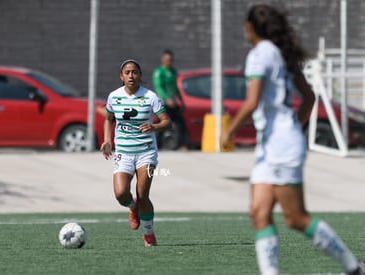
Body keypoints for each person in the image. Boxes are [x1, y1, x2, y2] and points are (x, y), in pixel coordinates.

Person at [220, 4, 365, 275]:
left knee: (296, 218)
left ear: (250, 27)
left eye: (244, 26)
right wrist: (294, 128)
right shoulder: (282, 54)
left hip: (281, 146)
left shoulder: (260, 55)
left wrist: (229, 131)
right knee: (258, 213)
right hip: (275, 144)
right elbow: (308, 98)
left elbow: (252, 102)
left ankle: (354, 268)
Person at [100, 60, 171, 247]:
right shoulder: (114, 97)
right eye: (127, 72)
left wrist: (154, 126)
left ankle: (149, 234)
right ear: (121, 76)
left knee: (142, 193)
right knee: (121, 193)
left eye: (135, 72)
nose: (131, 76)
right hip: (123, 152)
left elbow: (167, 122)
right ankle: (133, 208)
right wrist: (107, 140)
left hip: (146, 153)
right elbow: (108, 119)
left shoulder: (150, 97)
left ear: (140, 75)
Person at [152, 49, 188, 150]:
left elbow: (175, 88)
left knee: (180, 123)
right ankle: (156, 145)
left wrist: (181, 100)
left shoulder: (173, 72)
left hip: (173, 103)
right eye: (167, 59)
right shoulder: (159, 72)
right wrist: (167, 99)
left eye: (171, 60)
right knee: (161, 125)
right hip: (163, 104)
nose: (169, 62)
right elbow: (159, 87)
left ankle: (183, 145)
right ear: (163, 60)